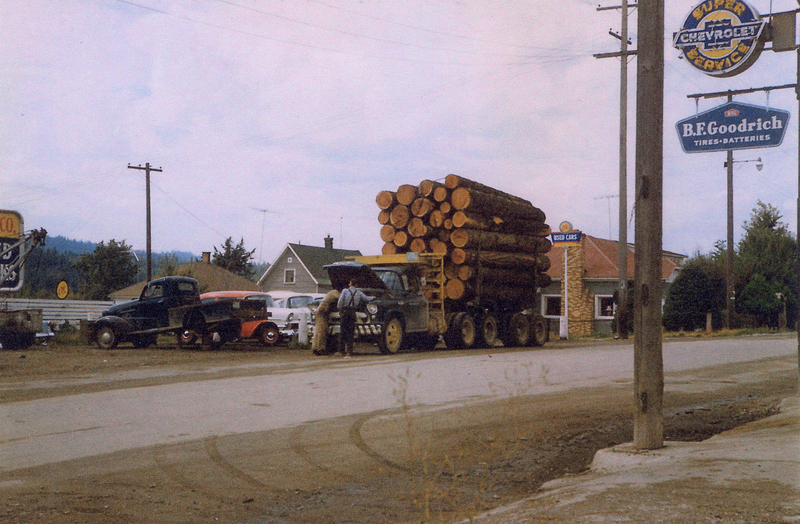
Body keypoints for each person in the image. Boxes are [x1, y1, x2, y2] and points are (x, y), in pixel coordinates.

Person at [337, 279, 374, 357]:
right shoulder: (359, 292)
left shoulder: (345, 291)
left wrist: (340, 309)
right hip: (352, 313)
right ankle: (349, 351)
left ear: (350, 284)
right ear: (356, 285)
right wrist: (373, 297)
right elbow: (367, 298)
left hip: (345, 312)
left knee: (343, 331)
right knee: (350, 332)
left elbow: (340, 302)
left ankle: (341, 351)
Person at [311, 289, 340, 355]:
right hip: (324, 310)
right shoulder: (336, 293)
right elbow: (341, 299)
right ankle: (321, 349)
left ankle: (315, 347)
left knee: (317, 330)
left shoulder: (330, 292)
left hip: (320, 310)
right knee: (322, 330)